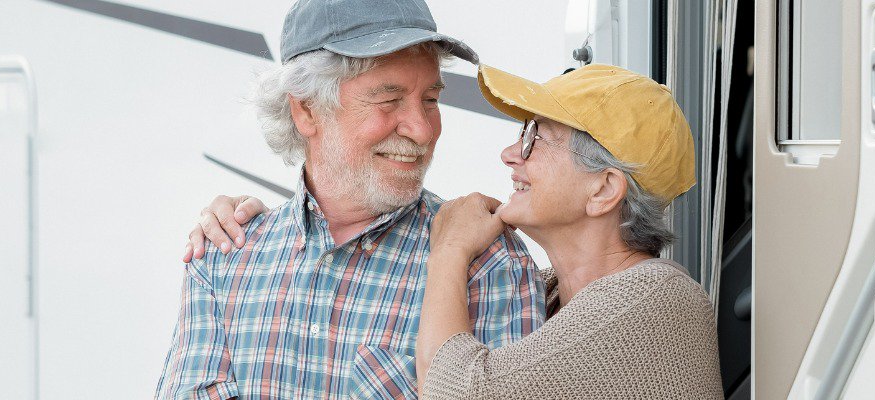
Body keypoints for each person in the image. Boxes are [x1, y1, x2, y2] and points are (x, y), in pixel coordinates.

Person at [193, 64, 723, 398]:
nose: (510, 154)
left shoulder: (654, 302)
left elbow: (456, 393)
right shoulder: (550, 295)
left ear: (603, 191)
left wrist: (448, 249)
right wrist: (267, 223)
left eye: (537, 138)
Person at [154, 0, 546, 398]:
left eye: (430, 99)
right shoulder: (223, 258)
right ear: (306, 111)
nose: (422, 130)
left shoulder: (488, 262)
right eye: (388, 100)